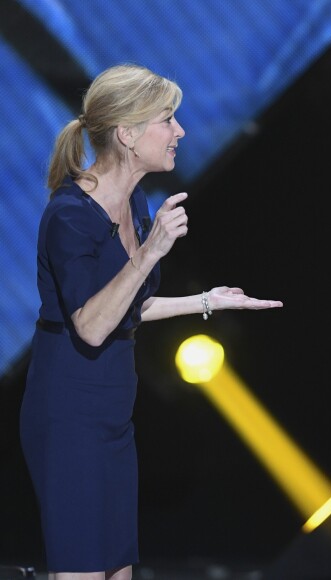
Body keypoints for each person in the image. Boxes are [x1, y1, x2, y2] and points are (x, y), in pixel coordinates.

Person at [19, 63, 283, 580]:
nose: (179, 131)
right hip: (69, 412)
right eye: (167, 120)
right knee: (82, 573)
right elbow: (92, 326)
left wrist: (206, 300)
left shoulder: (134, 200)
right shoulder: (70, 216)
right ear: (128, 134)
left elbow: (126, 308)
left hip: (113, 413)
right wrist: (152, 249)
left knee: (119, 571)